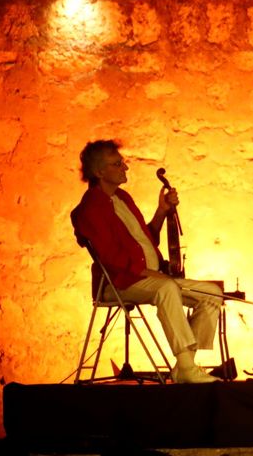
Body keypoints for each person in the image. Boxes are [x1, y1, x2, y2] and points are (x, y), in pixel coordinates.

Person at [69, 139, 224, 384]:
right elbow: (111, 258)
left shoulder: (122, 198)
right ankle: (186, 367)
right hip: (118, 283)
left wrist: (162, 210)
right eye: (117, 164)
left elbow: (146, 241)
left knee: (212, 294)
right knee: (167, 288)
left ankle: (185, 367)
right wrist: (150, 274)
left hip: (149, 277)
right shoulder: (90, 208)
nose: (125, 167)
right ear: (99, 172)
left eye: (122, 162)